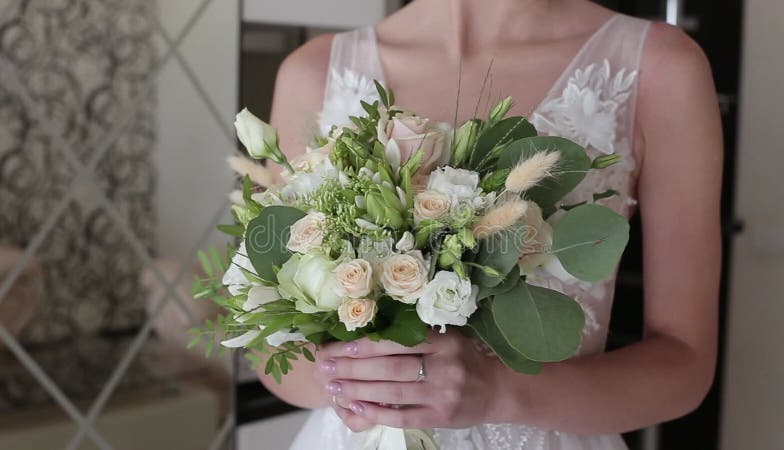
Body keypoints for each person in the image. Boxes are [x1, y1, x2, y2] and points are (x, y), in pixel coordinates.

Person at [261, 0, 722, 448]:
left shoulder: (659, 66)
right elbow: (265, 335)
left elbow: (685, 365)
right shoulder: (314, 71)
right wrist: (366, 382)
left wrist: (498, 391)